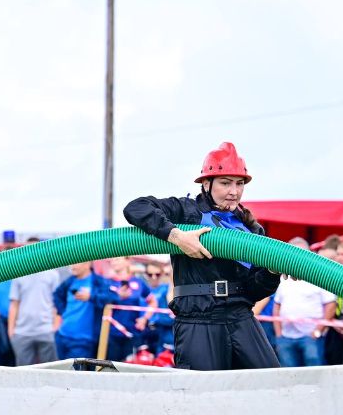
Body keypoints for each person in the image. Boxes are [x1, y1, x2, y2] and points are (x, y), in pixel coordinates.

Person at [123, 142, 282, 370]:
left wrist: (271, 272)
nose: (234, 191)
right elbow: (136, 208)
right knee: (200, 395)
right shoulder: (186, 211)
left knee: (272, 383)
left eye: (239, 184)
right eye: (225, 183)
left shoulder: (251, 229)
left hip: (240, 316)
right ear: (206, 184)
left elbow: (256, 290)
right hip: (197, 319)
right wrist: (176, 236)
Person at [272, 239, 335, 367]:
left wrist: (317, 331)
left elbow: (331, 305)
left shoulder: (319, 276)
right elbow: (277, 305)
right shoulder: (284, 278)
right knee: (289, 375)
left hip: (310, 336)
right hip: (286, 337)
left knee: (314, 375)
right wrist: (279, 334)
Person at [8, 241, 60, 366]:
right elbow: (14, 304)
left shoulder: (52, 274)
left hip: (46, 330)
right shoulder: (18, 275)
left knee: (51, 371)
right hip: (22, 332)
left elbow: (56, 303)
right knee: (24, 374)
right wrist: (11, 331)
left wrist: (55, 326)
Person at [52, 261, 114, 360]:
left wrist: (91, 296)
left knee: (75, 374)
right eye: (71, 262)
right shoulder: (69, 281)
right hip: (62, 336)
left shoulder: (98, 282)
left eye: (76, 262)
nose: (72, 266)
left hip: (83, 341)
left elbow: (111, 298)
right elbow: (57, 295)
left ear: (88, 264)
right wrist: (62, 313)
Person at [101, 256, 157, 362]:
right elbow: (99, 302)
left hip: (132, 334)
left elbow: (153, 302)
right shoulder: (106, 282)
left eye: (117, 259)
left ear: (128, 261)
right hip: (110, 334)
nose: (113, 262)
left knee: (128, 368)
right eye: (112, 260)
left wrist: (145, 318)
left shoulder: (138, 282)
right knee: (109, 368)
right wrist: (118, 297)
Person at [138, 261, 173, 353]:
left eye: (157, 274)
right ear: (145, 275)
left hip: (163, 330)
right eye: (150, 274)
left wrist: (168, 271)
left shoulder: (167, 288)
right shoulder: (142, 289)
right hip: (144, 330)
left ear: (162, 274)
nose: (154, 277)